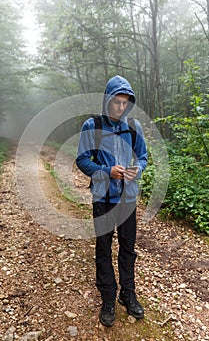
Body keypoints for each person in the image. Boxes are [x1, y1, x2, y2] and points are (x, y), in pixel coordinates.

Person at [76, 75, 148, 327]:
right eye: (116, 102)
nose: (121, 107)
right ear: (108, 100)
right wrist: (107, 171)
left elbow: (143, 157)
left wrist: (137, 169)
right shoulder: (91, 126)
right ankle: (107, 298)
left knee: (128, 249)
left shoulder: (134, 127)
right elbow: (83, 160)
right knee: (104, 250)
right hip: (103, 198)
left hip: (128, 198)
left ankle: (127, 294)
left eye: (125, 103)